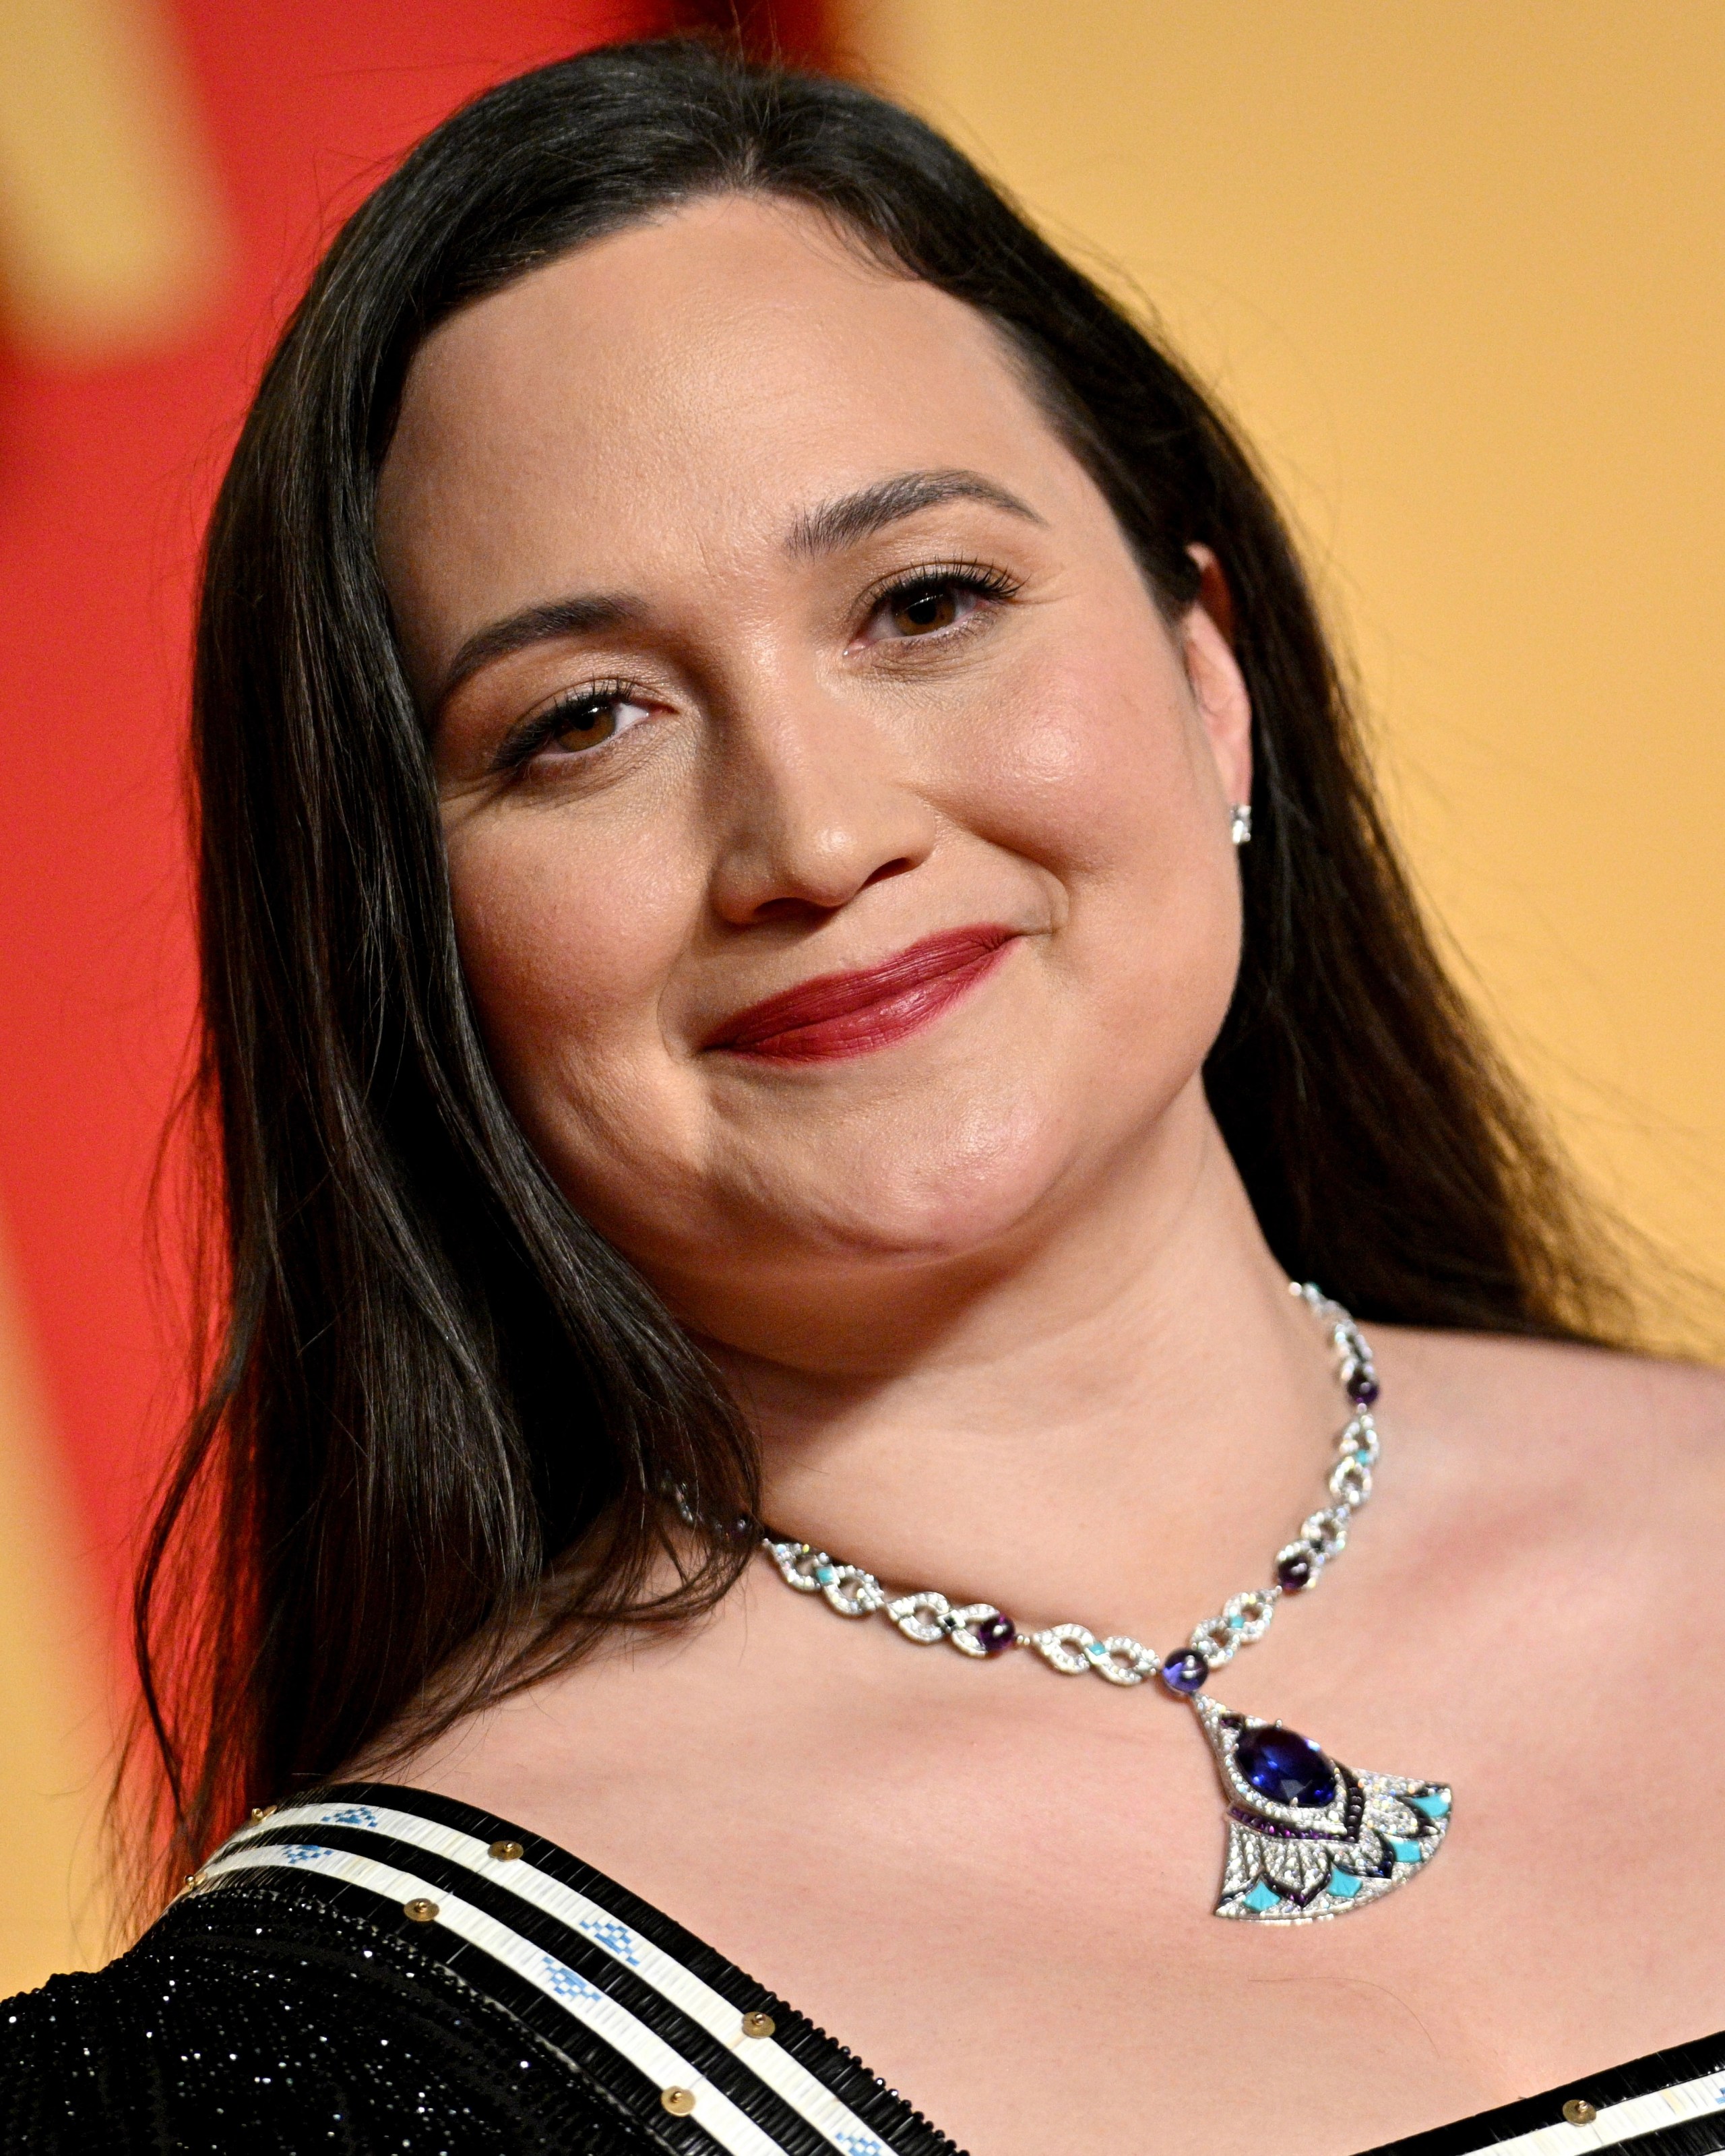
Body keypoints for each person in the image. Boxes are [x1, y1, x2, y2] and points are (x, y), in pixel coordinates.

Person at [4, 34, 1722, 2156]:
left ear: (1211, 681)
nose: (814, 837)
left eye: (926, 605)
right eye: (584, 723)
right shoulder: (294, 2076)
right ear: (410, 944)